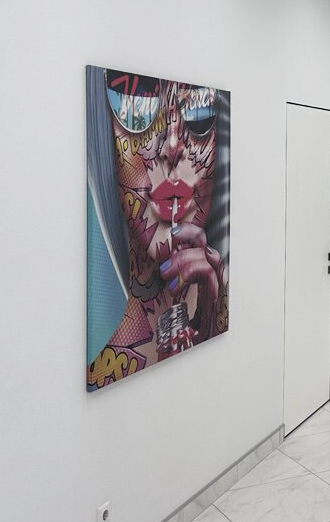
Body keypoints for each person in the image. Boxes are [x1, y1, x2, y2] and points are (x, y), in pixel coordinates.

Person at [89, 73, 228, 387]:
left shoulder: (223, 306)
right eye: (136, 111)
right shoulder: (101, 373)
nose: (172, 145)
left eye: (199, 113)